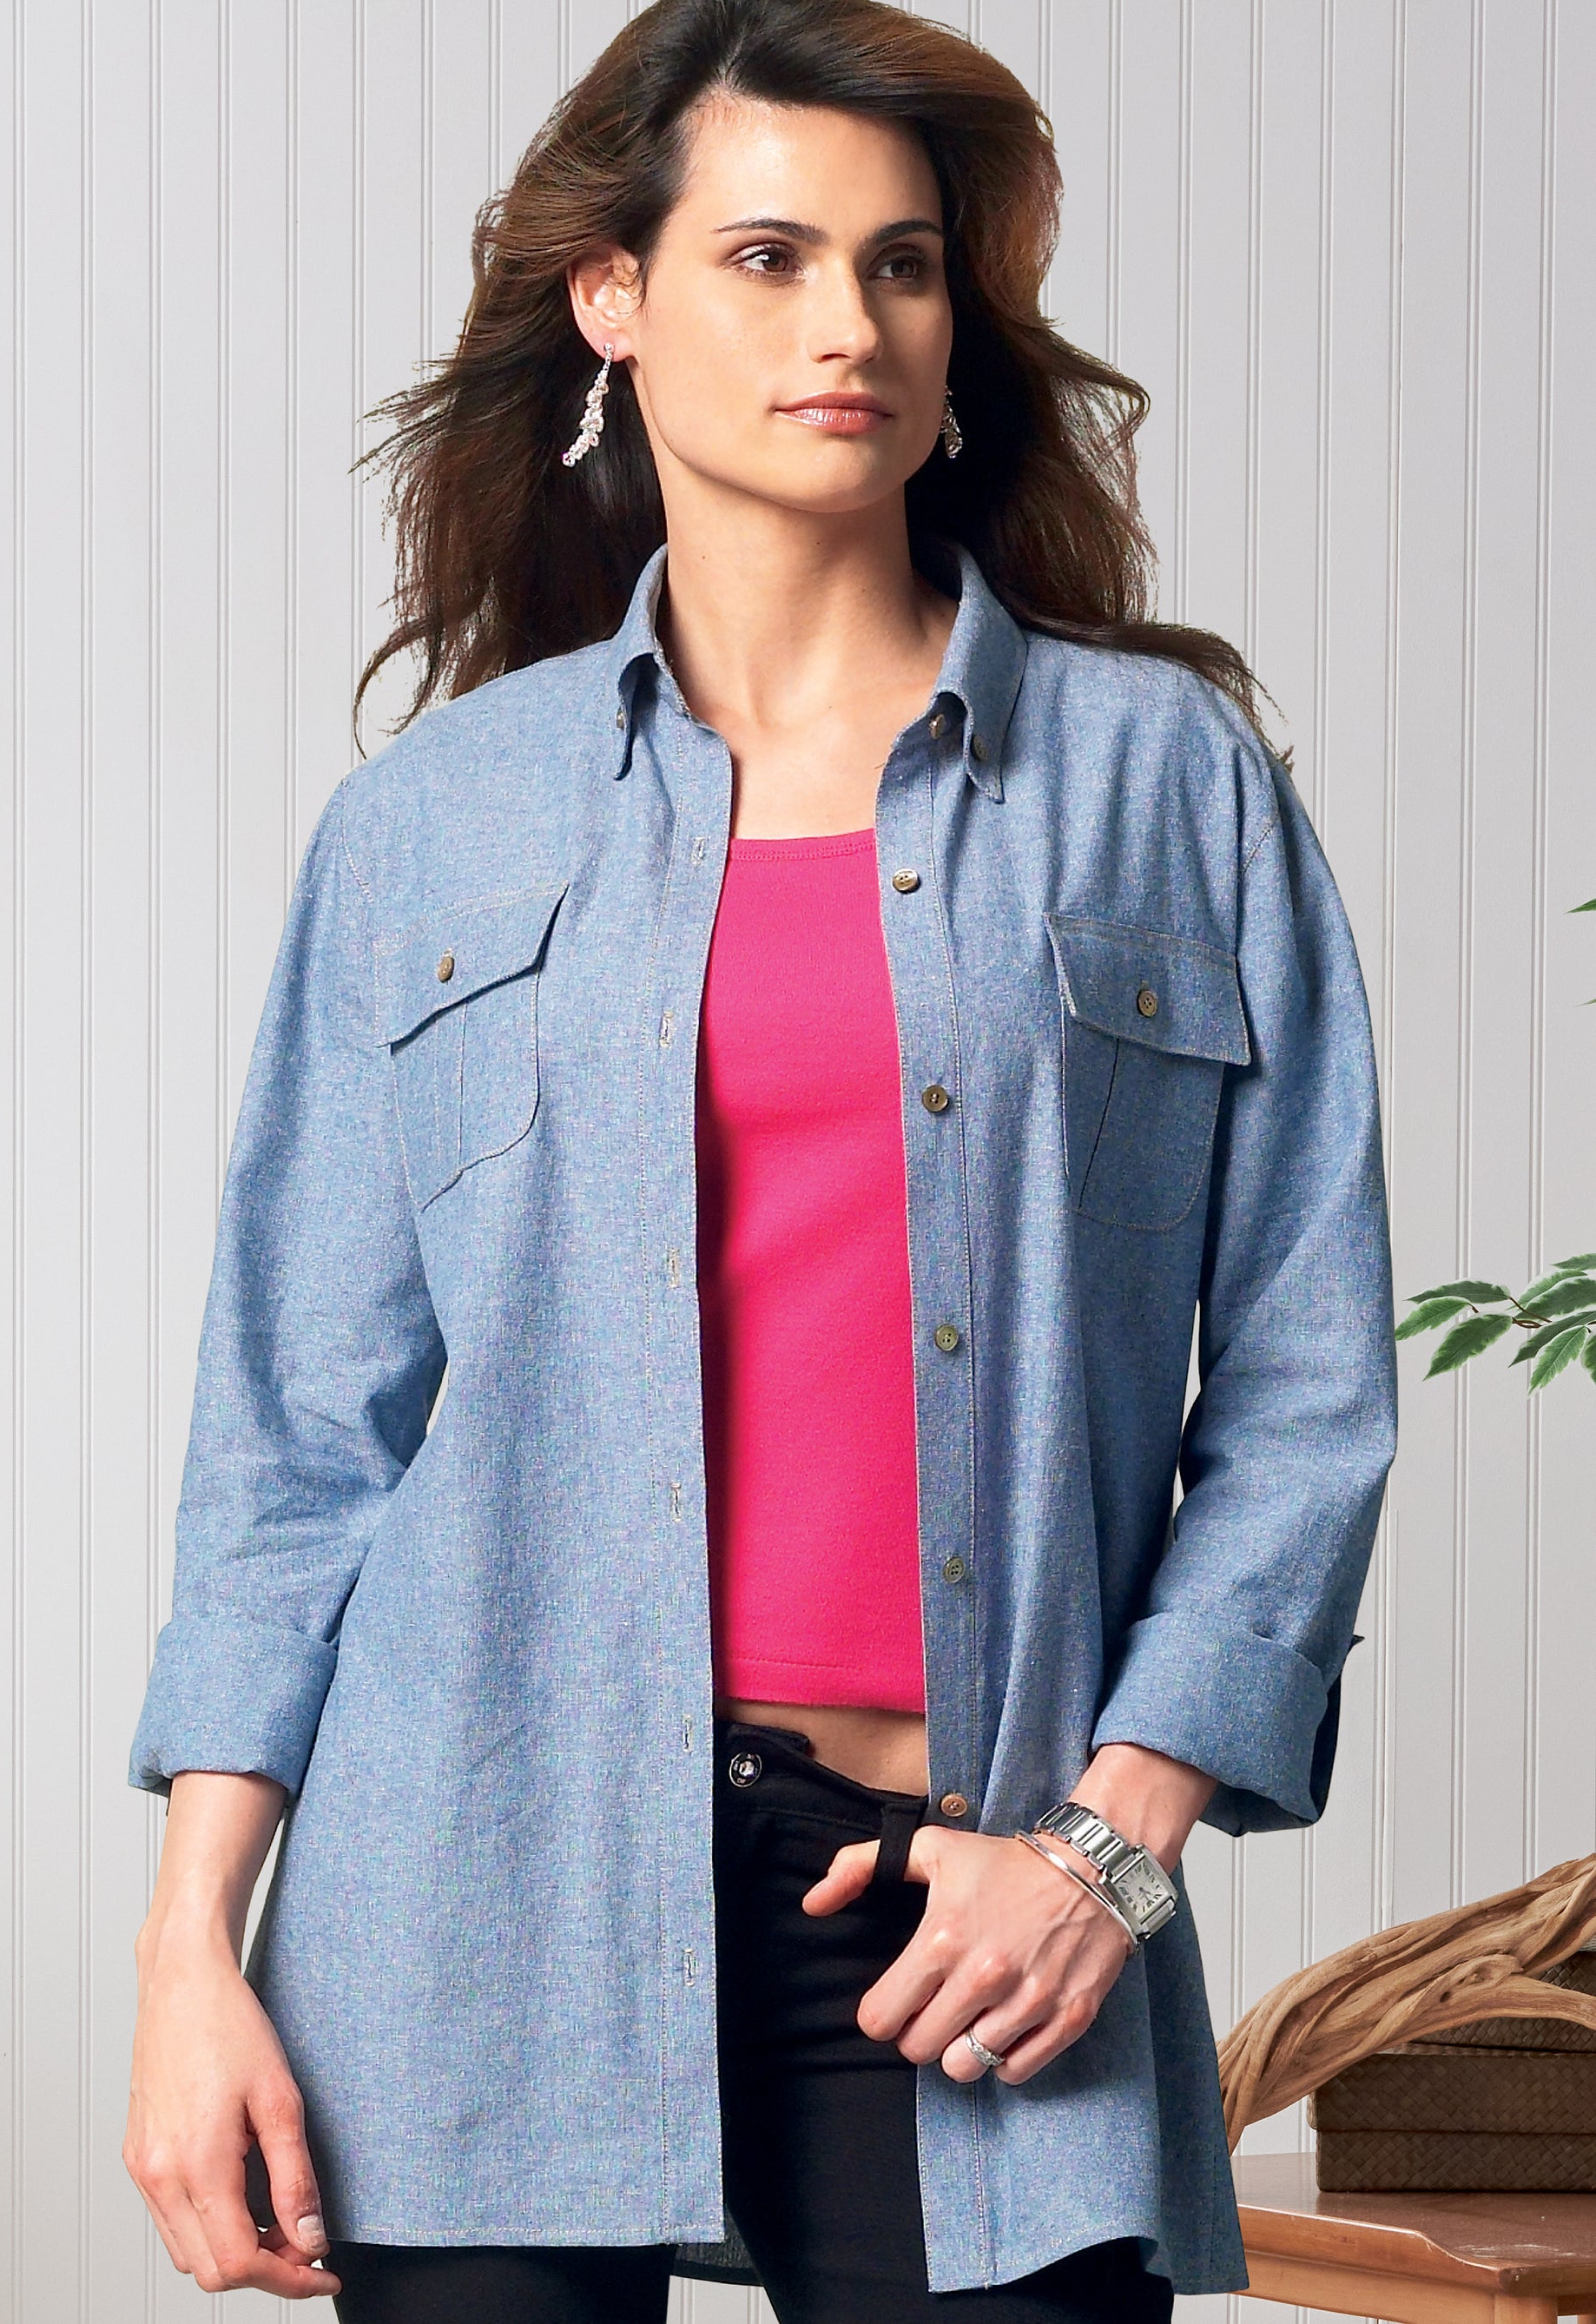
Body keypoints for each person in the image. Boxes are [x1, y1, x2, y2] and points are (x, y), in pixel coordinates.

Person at [122, 1, 1398, 2317]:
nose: (851, 326)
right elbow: (299, 1438)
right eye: (769, 256)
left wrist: (1107, 1846)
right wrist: (189, 1950)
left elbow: (1306, 1387)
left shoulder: (1161, 783)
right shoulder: (433, 822)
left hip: (959, 1904)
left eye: (902, 266)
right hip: (469, 1891)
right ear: (611, 297)